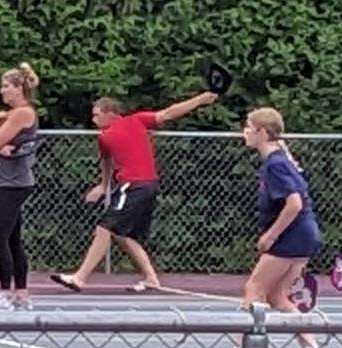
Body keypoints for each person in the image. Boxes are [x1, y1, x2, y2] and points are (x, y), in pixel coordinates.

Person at [50, 87, 221, 294]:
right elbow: (106, 162)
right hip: (145, 186)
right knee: (124, 235)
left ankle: (79, 278)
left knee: (105, 228)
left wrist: (200, 99)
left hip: (134, 185)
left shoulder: (136, 120)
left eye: (96, 115)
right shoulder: (104, 137)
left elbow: (168, 113)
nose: (93, 120)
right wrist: (104, 186)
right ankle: (151, 278)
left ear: (110, 113)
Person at [226, 106, 327, 348]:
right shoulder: (280, 159)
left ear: (261, 132)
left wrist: (271, 235)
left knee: (254, 288)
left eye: (248, 126)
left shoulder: (275, 164)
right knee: (277, 296)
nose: (244, 131)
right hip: (304, 233)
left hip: (292, 235)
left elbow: (293, 203)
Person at [0, 64, 43, 309]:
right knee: (13, 238)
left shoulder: (21, 113)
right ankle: (22, 293)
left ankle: (5, 293)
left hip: (13, 182)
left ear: (19, 89)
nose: (2, 91)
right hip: (6, 180)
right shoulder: (15, 114)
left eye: (6, 86)